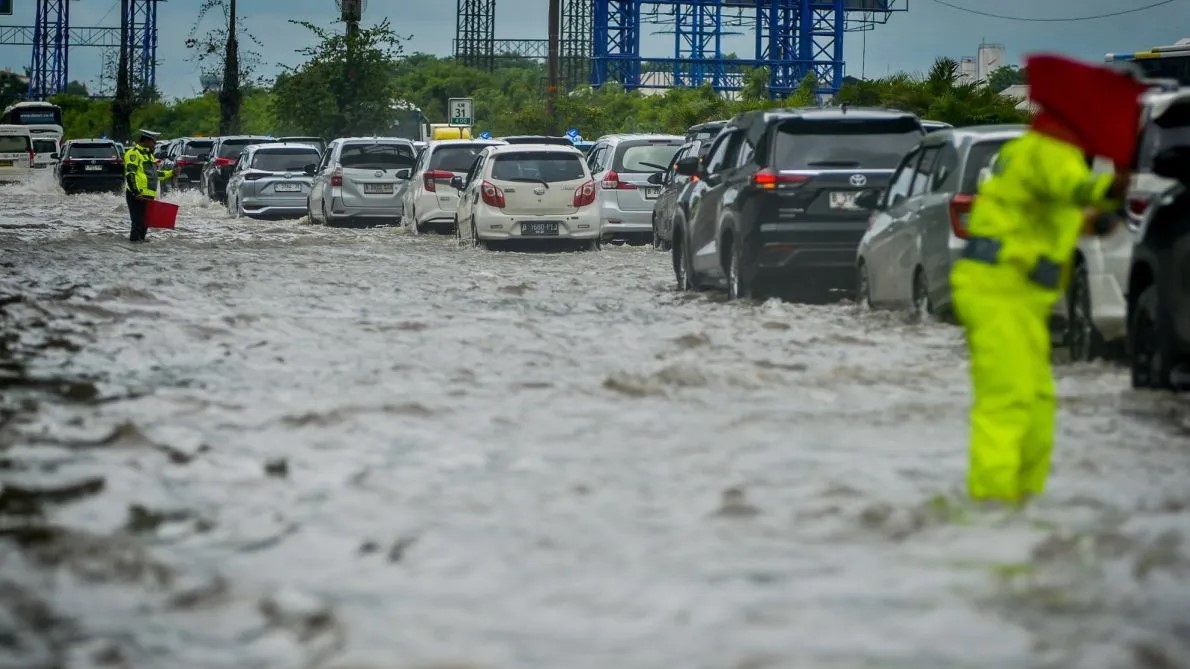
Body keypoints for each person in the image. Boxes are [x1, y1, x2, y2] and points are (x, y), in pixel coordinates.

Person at [949, 54, 1148, 507]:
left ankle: (1022, 502)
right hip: (999, 289)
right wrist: (1119, 178)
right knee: (1010, 400)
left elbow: (1070, 216)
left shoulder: (1038, 152)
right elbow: (1083, 192)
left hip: (1017, 294)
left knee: (1037, 402)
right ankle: (991, 508)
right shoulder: (1050, 153)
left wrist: (1105, 213)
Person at [123, 129, 173, 243]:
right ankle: (134, 250)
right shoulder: (133, 153)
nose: (155, 145)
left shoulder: (149, 155)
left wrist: (172, 173)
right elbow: (130, 174)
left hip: (148, 195)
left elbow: (156, 175)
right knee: (137, 223)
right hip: (137, 195)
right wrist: (136, 192)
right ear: (146, 140)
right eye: (154, 142)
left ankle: (142, 252)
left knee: (145, 224)